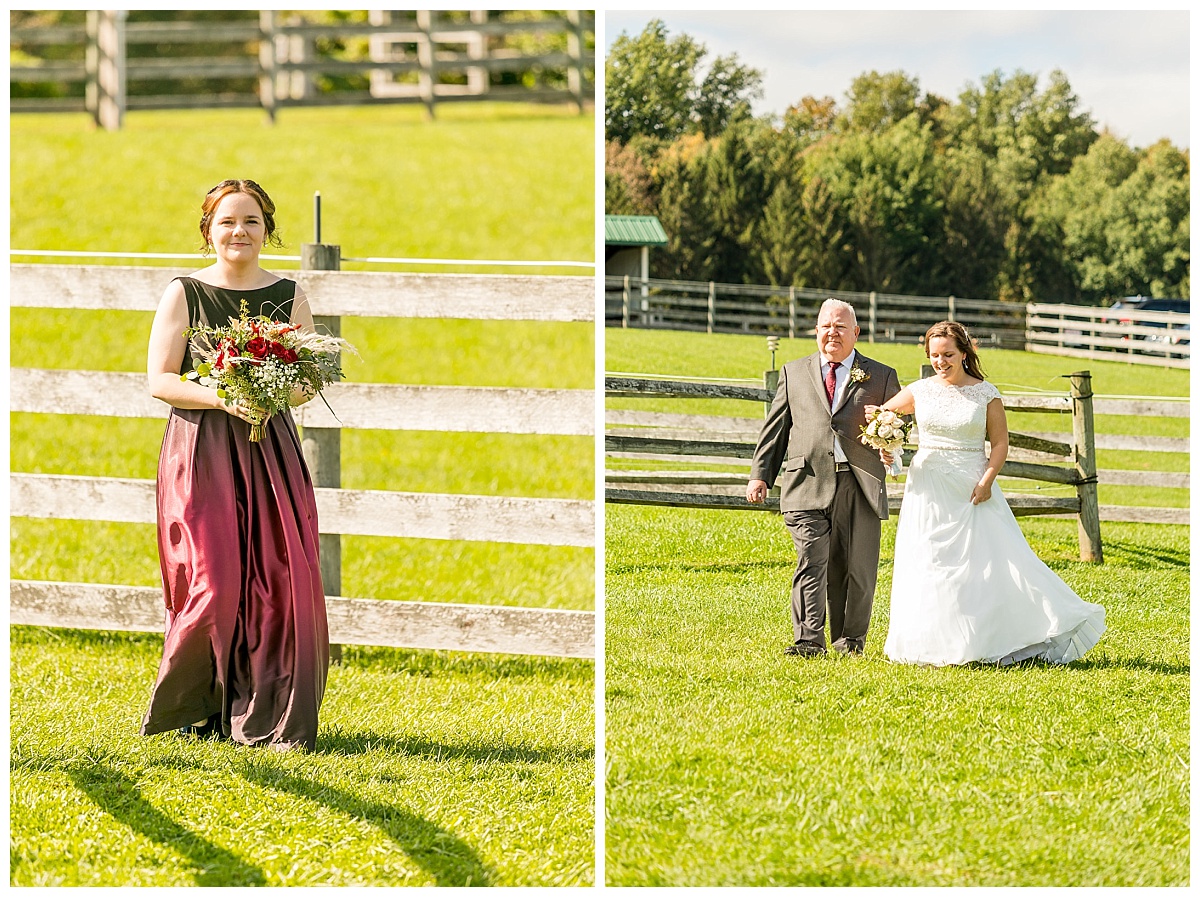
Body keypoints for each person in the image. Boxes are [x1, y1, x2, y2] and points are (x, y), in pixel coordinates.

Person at [140, 179, 329, 751]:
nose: (239, 232)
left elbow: (309, 378)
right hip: (201, 453)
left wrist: (274, 395)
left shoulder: (289, 294)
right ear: (208, 232)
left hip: (270, 450)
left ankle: (266, 709)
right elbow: (160, 381)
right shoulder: (185, 293)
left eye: (250, 221)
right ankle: (196, 706)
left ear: (267, 228)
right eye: (227, 222)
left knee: (279, 580)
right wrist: (225, 395)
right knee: (214, 581)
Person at [877, 321, 1105, 666]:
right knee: (930, 560)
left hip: (972, 485)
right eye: (935, 355)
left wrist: (986, 480)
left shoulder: (986, 393)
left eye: (948, 354)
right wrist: (888, 444)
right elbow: (884, 418)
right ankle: (932, 644)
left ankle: (999, 637)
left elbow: (1000, 443)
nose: (941, 361)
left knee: (985, 563)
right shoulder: (920, 390)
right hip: (928, 486)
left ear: (965, 353)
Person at [748, 298, 902, 656]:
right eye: (826, 326)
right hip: (806, 480)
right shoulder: (793, 372)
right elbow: (776, 430)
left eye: (840, 327)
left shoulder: (881, 376)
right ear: (816, 330)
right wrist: (760, 476)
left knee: (857, 570)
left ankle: (850, 642)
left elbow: (901, 428)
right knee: (811, 559)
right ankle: (808, 640)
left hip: (859, 482)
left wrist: (891, 453)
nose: (832, 333)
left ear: (856, 333)